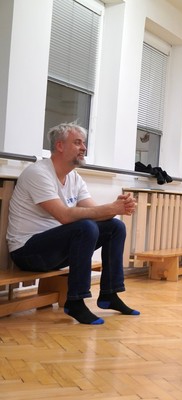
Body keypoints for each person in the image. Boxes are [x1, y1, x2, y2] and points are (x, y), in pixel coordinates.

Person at [7, 123, 139, 325]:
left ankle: (109, 294)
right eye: (77, 143)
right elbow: (64, 216)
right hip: (27, 252)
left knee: (115, 227)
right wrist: (112, 208)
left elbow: (95, 212)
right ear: (59, 146)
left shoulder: (74, 178)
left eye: (83, 143)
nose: (83, 148)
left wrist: (117, 207)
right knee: (85, 227)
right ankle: (75, 301)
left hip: (54, 250)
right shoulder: (38, 173)